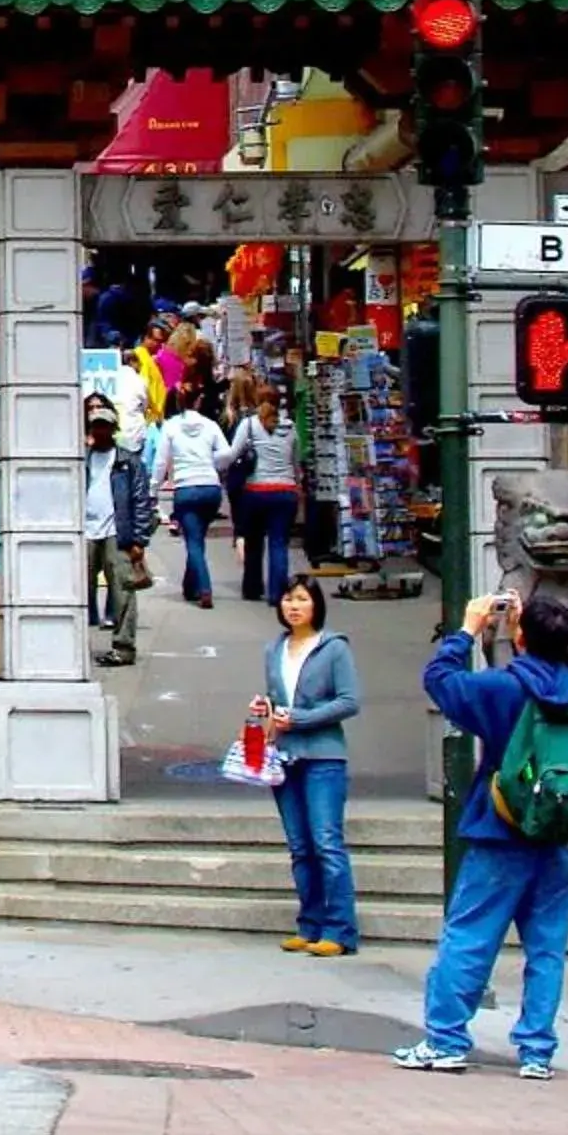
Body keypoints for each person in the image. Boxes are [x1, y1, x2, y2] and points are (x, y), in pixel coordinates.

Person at [396, 592, 568, 1080]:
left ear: (521, 637)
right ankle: (537, 1050)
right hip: (554, 831)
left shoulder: (502, 690)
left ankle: (445, 1039)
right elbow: (527, 680)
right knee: (546, 947)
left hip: (500, 829)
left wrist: (465, 628)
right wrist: (510, 638)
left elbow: (440, 682)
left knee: (470, 935)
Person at [260, 577, 360, 956]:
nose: (293, 606)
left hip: (323, 755)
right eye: (288, 599)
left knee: (326, 842)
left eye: (301, 599)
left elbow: (349, 701)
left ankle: (340, 929)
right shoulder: (274, 649)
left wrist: (299, 718)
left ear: (316, 605)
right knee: (300, 846)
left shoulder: (334, 649)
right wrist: (266, 710)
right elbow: (276, 698)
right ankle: (309, 923)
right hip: (284, 756)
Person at [81, 394, 150, 667]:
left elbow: (141, 500)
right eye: (95, 425)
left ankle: (123, 647)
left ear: (113, 428)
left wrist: (139, 538)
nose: (99, 430)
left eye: (104, 425)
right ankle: (72, 647)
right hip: (84, 532)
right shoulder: (80, 459)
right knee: (76, 592)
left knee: (123, 591)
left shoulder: (127, 461)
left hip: (116, 533)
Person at [151, 391, 233, 606]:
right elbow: (227, 454)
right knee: (197, 538)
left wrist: (153, 489)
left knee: (193, 542)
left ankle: (205, 588)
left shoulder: (170, 427)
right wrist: (209, 462)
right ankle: (190, 587)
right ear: (199, 400)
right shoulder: (210, 425)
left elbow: (161, 462)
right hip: (210, 487)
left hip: (186, 488)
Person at [233, 381, 302, 605]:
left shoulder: (249, 425)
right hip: (285, 492)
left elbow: (234, 453)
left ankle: (252, 587)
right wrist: (297, 487)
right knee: (279, 543)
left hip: (256, 492)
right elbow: (296, 461)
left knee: (253, 542)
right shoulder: (290, 427)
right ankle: (277, 593)